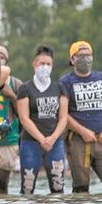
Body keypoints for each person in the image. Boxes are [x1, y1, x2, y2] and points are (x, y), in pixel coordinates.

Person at [59, 41, 102, 192]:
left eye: (88, 55)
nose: (85, 58)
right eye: (80, 55)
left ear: (92, 57)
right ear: (72, 59)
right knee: (81, 187)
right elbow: (63, 114)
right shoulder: (65, 82)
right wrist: (82, 131)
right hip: (78, 140)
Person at [16, 46, 66, 195]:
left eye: (48, 64)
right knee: (27, 187)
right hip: (31, 142)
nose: (45, 67)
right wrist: (42, 139)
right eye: (42, 63)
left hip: (55, 143)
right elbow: (24, 118)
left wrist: (52, 139)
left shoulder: (59, 87)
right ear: (34, 64)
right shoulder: (25, 88)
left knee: (58, 187)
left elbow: (63, 118)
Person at [0, 45, 22, 195]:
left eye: (2, 56)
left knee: (2, 188)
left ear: (7, 62)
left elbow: (23, 114)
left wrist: (11, 95)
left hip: (7, 141)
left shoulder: (16, 84)